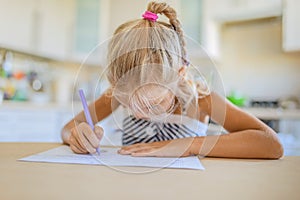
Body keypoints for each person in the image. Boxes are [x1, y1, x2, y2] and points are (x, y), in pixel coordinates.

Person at [61, 1, 283, 159]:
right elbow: (68, 128)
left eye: (153, 104)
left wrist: (188, 145)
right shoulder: (117, 94)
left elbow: (271, 144)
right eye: (128, 103)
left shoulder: (202, 100)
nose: (138, 114)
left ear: (180, 75)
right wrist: (78, 136)